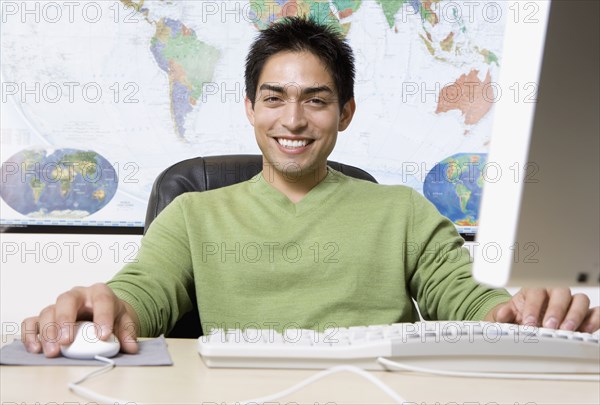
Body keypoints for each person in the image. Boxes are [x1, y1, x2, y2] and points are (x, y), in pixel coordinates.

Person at [22, 17, 599, 357]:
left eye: (316, 101)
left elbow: (469, 304)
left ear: (345, 113)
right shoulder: (191, 214)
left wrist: (521, 316)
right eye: (274, 99)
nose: (293, 121)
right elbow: (143, 297)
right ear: (250, 108)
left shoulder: (402, 210)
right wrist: (105, 310)